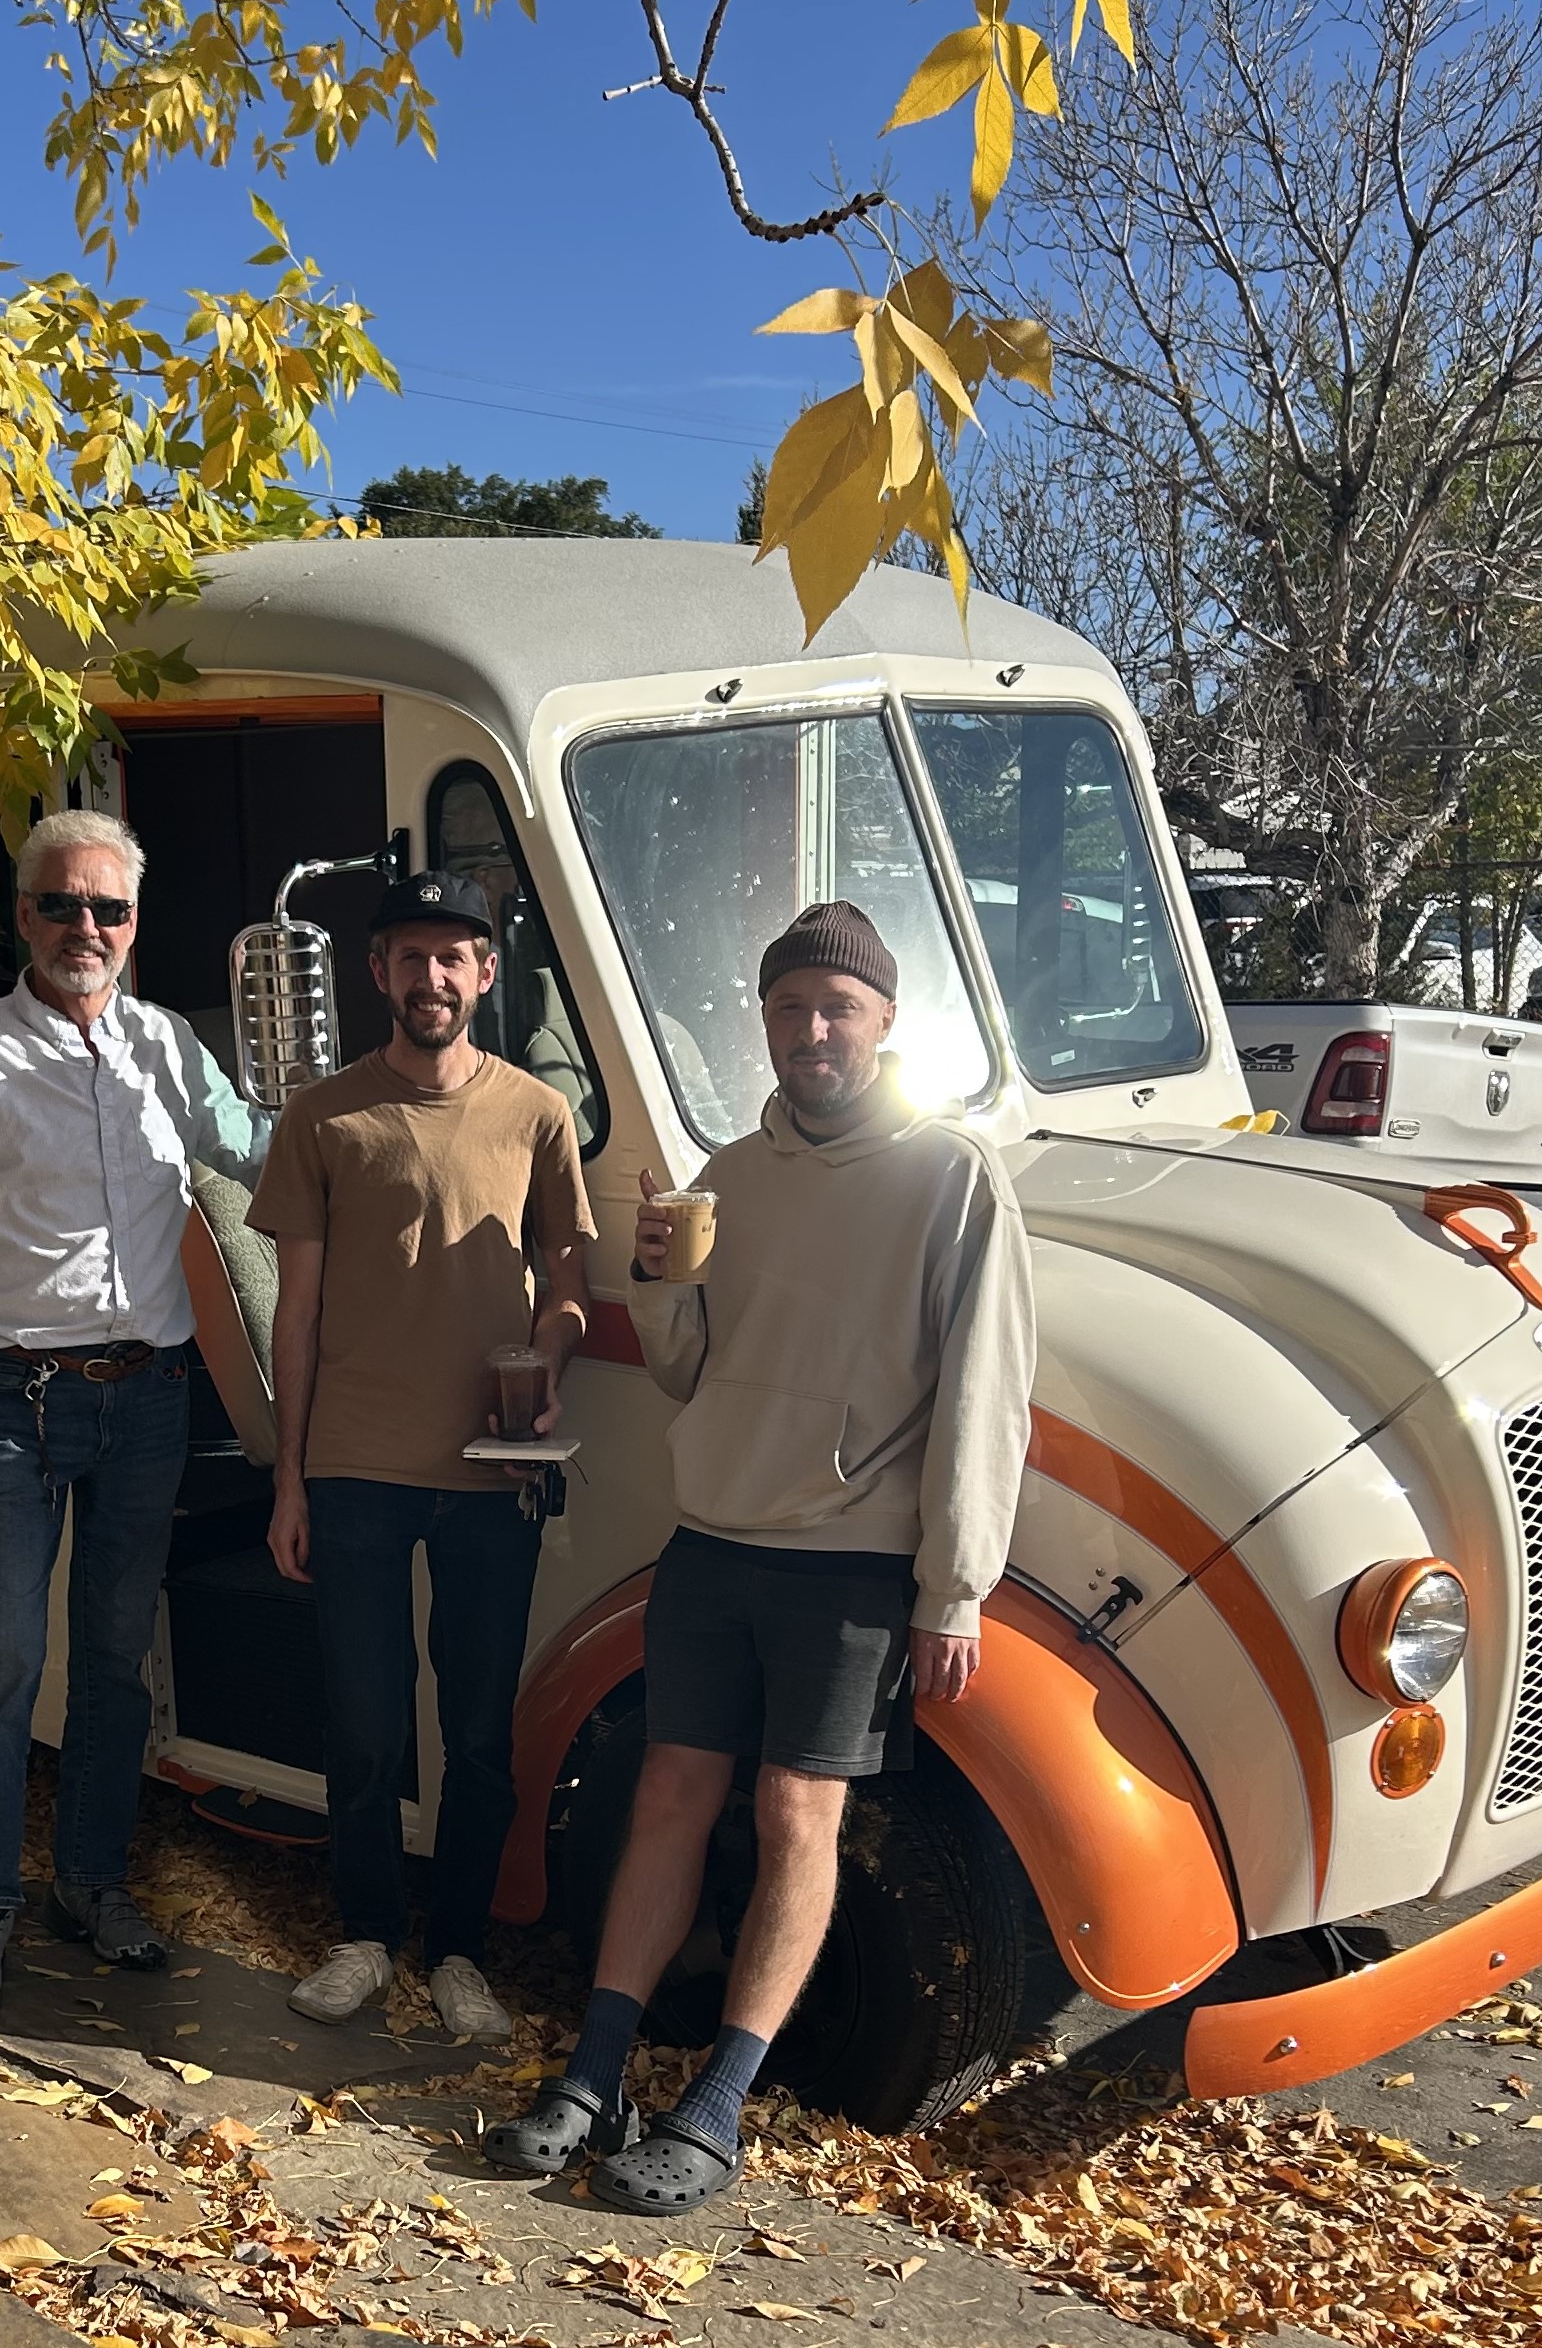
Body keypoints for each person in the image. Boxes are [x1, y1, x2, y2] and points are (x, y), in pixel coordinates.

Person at [485, 900, 1035, 2212]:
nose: (811, 1029)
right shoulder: (724, 1174)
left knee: (798, 1816)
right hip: (713, 1545)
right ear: (766, 1026)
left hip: (849, 1563)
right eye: (788, 1008)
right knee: (671, 1798)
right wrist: (660, 1275)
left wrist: (952, 1585)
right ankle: (600, 2068)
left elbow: (985, 1394)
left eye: (836, 1006)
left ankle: (718, 2104)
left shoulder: (952, 1177)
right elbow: (686, 1368)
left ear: (886, 1023)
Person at [0, 807, 265, 2012]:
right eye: (62, 904)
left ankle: (92, 1883)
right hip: (11, 1399)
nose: (86, 928)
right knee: (7, 1656)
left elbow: (263, 1150)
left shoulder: (169, 1049)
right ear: (22, 917)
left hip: (147, 1396)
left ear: (136, 924)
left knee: (116, 1661)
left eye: (109, 908)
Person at [247, 870, 596, 2045]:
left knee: (482, 1730)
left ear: (486, 973)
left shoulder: (538, 1113)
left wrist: (548, 1357)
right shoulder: (323, 1117)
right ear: (378, 972)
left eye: (456, 956)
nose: (433, 977)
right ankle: (364, 1935)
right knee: (364, 1720)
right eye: (411, 956)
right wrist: (287, 1477)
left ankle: (459, 1953)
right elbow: (292, 1314)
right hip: (351, 1466)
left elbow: (571, 1284)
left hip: (493, 1471)